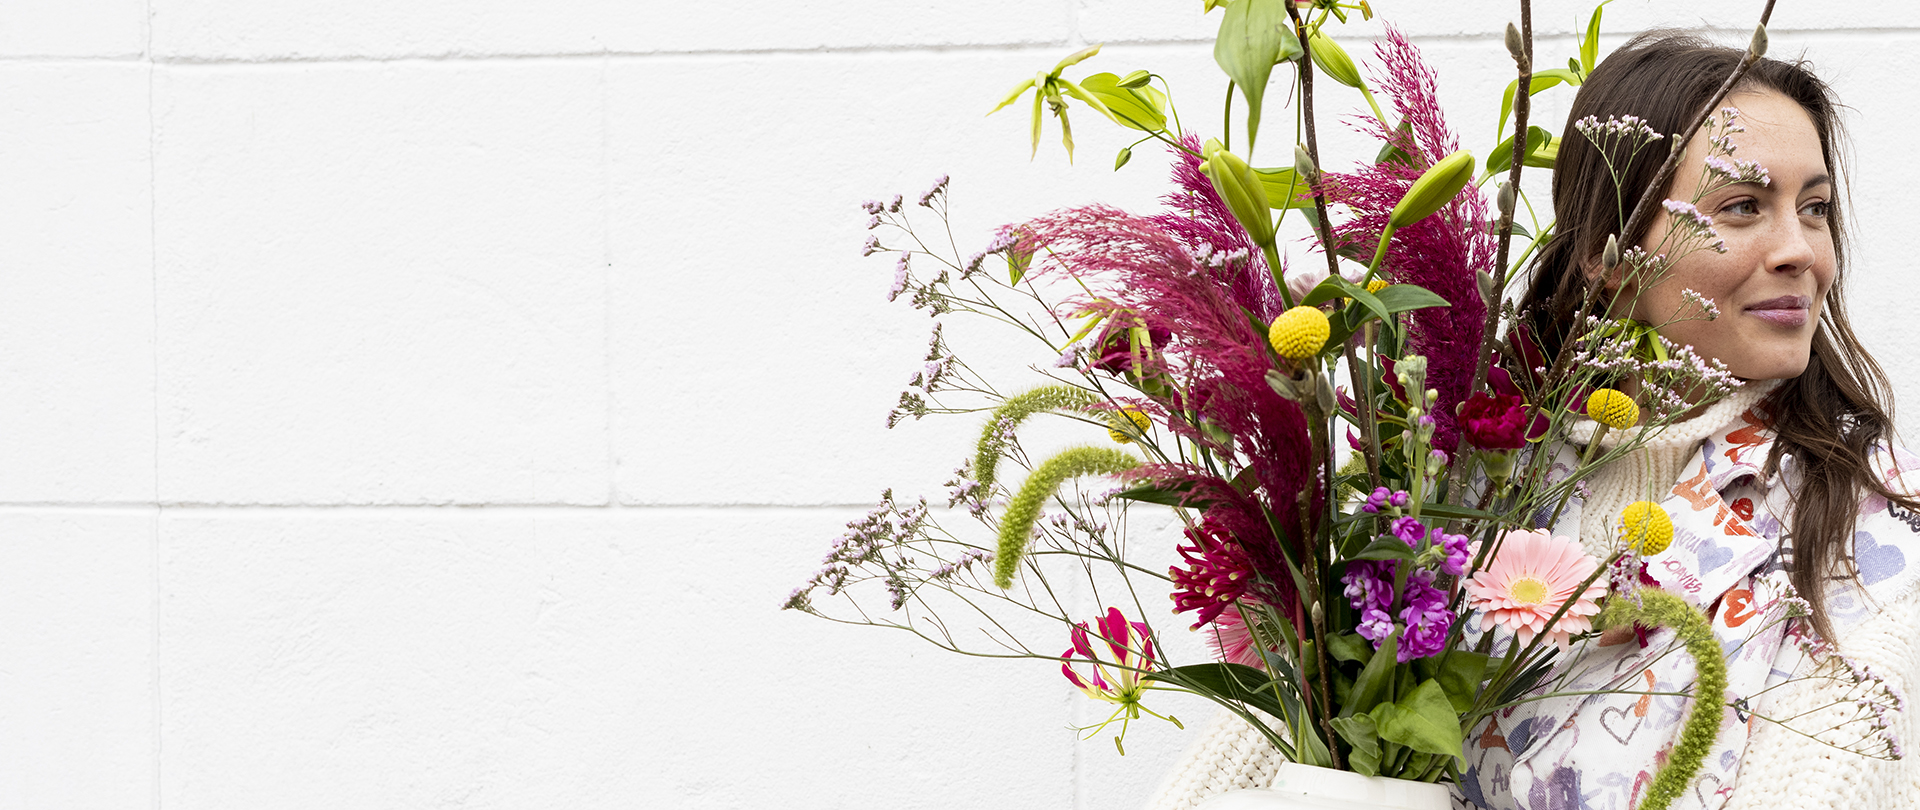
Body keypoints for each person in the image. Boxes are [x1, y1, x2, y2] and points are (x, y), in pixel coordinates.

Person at [1146, 33, 1920, 810]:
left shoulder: (1871, 526)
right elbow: (1278, 749)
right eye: (1744, 206)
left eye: (1814, 208)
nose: (1800, 249)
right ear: (1609, 255)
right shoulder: (1458, 483)